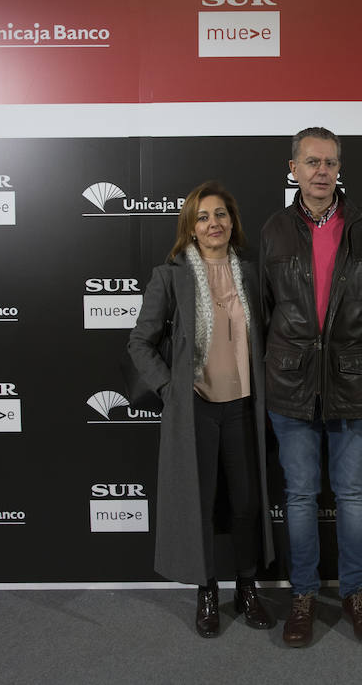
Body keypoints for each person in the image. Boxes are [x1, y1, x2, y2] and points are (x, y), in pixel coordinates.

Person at [260, 127, 362, 647]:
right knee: (299, 496)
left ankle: (355, 593)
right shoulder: (274, 229)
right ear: (294, 168)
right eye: (312, 161)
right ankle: (302, 596)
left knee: (353, 494)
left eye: (330, 162)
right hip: (291, 386)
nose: (322, 170)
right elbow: (263, 315)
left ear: (339, 169)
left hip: (354, 385)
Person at [128, 181, 275, 638]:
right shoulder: (170, 275)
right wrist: (170, 388)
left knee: (248, 503)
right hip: (197, 411)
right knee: (201, 505)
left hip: (244, 408)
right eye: (204, 217)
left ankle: (247, 587)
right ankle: (207, 591)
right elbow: (139, 342)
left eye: (221, 215)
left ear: (232, 223)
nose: (214, 224)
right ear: (191, 228)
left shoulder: (251, 274)